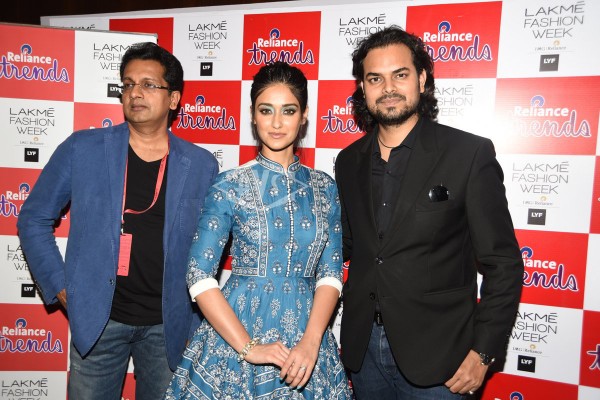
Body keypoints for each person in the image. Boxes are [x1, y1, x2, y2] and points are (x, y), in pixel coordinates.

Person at [17, 42, 218, 400]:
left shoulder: (201, 164)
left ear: (173, 99)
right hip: (99, 321)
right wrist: (60, 285)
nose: (135, 93)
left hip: (168, 325)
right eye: (128, 84)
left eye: (148, 84)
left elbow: (210, 244)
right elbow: (33, 218)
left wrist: (196, 313)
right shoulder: (83, 149)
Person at [334, 26, 523, 399]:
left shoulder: (468, 154)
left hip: (441, 358)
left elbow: (503, 263)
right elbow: (350, 245)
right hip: (364, 352)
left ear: (421, 79)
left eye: (400, 75)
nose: (388, 88)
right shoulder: (348, 161)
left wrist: (484, 352)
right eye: (375, 78)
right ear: (363, 88)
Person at [164, 61, 352, 399]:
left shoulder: (325, 187)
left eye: (288, 110)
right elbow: (198, 274)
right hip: (238, 333)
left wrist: (311, 342)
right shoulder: (229, 185)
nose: (277, 123)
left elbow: (331, 273)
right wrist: (248, 347)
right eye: (266, 110)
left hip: (309, 336)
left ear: (304, 115)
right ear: (253, 115)